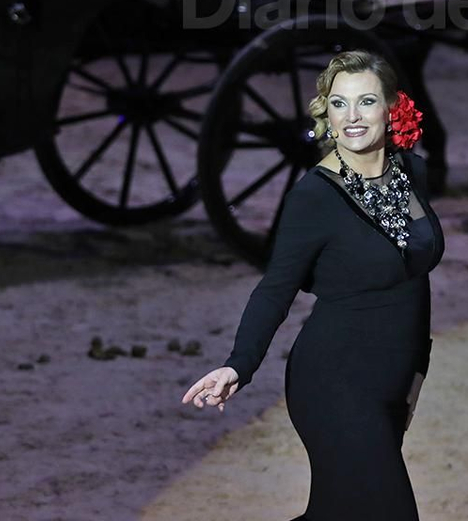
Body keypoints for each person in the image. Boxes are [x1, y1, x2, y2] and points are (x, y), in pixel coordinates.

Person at [184, 50, 443, 521]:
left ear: (392, 108)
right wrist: (238, 365)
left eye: (366, 101)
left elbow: (414, 283)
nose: (352, 116)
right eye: (339, 104)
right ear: (327, 113)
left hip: (393, 381)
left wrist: (415, 374)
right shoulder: (313, 197)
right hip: (334, 383)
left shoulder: (412, 172)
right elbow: (275, 288)